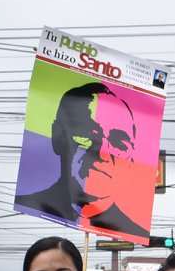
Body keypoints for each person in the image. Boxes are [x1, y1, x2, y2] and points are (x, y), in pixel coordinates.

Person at [14, 81, 146, 236]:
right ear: (58, 137)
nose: (102, 152)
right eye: (87, 134)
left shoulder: (134, 232)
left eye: (119, 143)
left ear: (131, 159)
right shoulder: (29, 205)